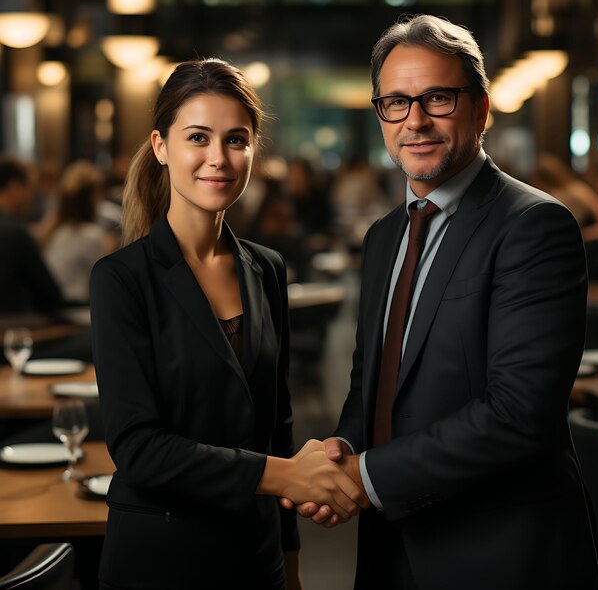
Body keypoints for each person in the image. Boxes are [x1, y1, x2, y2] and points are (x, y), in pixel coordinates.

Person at [284, 14, 598, 589]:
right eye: (396, 103)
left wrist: (364, 477)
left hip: (498, 555)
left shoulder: (535, 225)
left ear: (481, 109)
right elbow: (372, 387)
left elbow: (518, 414)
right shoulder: (384, 237)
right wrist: (342, 449)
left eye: (437, 97)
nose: (416, 120)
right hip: (391, 547)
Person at [89, 58, 368, 590]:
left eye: (236, 140)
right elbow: (138, 448)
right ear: (160, 146)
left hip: (255, 556)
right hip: (161, 560)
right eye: (198, 137)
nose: (218, 158)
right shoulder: (120, 279)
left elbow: (277, 423)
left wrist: (290, 556)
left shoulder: (266, 268)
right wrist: (285, 475)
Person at [41, 159, 118, 303]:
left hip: (55, 304)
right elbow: (105, 281)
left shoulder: (54, 231)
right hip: (78, 307)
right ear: (91, 195)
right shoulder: (91, 235)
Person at [0, 156, 63, 313]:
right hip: (14, 328)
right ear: (14, 187)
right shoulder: (15, 235)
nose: (31, 196)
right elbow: (50, 296)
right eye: (30, 188)